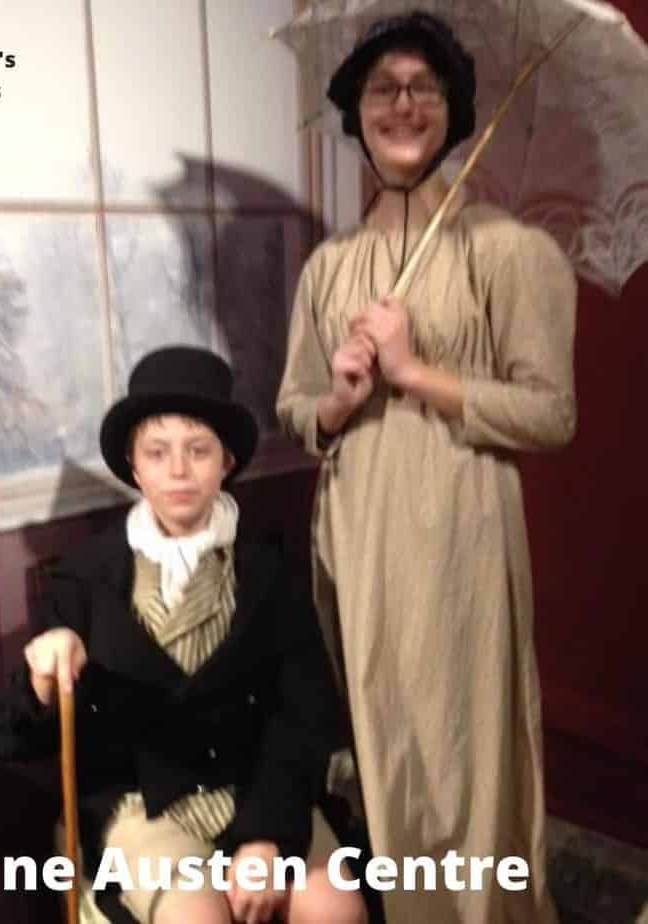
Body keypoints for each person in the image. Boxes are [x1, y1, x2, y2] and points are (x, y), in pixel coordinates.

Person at [276, 11, 575, 924]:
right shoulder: (330, 268)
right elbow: (296, 409)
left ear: (454, 110)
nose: (403, 104)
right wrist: (337, 398)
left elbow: (551, 414)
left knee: (468, 748)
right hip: (359, 540)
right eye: (382, 88)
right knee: (388, 748)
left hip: (461, 538)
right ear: (354, 111)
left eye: (424, 87)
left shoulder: (509, 251)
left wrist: (413, 373)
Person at [0, 345, 367, 924]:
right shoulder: (86, 577)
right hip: (142, 802)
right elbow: (14, 738)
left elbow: (302, 718)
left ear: (227, 461)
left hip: (254, 785)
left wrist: (265, 839)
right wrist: (45, 675)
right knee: (197, 919)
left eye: (198, 451)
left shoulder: (268, 571)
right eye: (158, 453)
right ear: (134, 467)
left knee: (333, 909)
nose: (179, 470)